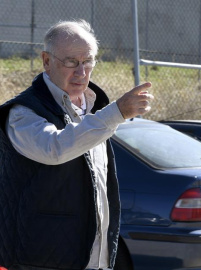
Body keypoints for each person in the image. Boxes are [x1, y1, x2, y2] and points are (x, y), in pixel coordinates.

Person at [0, 19, 153, 270]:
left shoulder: (95, 108)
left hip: (94, 261)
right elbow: (55, 148)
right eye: (71, 61)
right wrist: (116, 113)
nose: (81, 72)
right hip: (38, 260)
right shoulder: (23, 113)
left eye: (88, 61)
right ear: (46, 61)